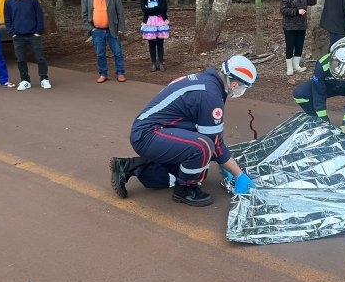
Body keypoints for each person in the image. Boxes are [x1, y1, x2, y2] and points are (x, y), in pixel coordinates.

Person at [109, 55, 259, 207]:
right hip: (149, 134)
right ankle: (185, 190)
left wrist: (223, 162)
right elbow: (215, 142)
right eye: (244, 87)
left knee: (183, 172)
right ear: (234, 85)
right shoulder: (210, 96)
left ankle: (128, 166)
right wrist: (238, 174)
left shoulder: (207, 82)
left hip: (156, 130)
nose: (242, 91)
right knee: (203, 147)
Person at [4, 0, 51, 90]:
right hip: (18, 36)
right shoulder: (8, 2)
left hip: (33, 34)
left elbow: (39, 15)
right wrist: (12, 32)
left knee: (40, 57)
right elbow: (7, 19)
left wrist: (38, 31)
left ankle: (44, 79)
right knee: (21, 59)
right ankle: (25, 80)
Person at [81, 0, 126, 83]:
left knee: (118, 52)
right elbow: (84, 15)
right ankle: (103, 74)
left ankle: (120, 73)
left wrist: (121, 27)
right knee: (100, 53)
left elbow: (120, 12)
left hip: (112, 29)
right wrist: (91, 29)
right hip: (97, 31)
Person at [279, 0, 317, 76]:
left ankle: (297, 66)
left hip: (301, 25)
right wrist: (297, 11)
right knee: (290, 46)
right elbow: (283, 9)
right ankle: (289, 68)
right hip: (290, 26)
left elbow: (313, 2)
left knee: (299, 46)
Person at [140, 0, 170, 72]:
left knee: (160, 43)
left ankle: (160, 62)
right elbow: (144, 10)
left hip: (160, 21)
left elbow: (163, 9)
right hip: (149, 23)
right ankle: (153, 63)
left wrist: (151, 9)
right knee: (151, 43)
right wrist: (156, 8)